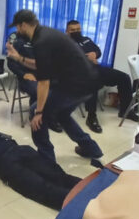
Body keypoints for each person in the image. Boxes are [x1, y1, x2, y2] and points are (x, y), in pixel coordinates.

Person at [6, 9, 104, 163]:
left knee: (35, 113)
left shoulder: (41, 41)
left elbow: (44, 82)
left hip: (75, 85)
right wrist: (18, 58)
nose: (17, 31)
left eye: (17, 27)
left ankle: (46, 160)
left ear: (24, 25)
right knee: (62, 114)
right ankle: (91, 148)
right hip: (88, 83)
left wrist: (39, 112)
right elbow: (41, 65)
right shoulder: (45, 33)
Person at [65, 20, 136, 133]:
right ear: (67, 31)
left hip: (96, 69)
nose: (76, 32)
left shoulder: (86, 39)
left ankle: (125, 111)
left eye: (78, 29)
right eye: (73, 30)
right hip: (77, 74)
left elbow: (97, 51)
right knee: (92, 82)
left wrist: (95, 54)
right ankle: (91, 117)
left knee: (124, 77)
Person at [6, 33, 62, 132]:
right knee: (39, 90)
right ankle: (37, 115)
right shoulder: (17, 42)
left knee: (60, 87)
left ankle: (50, 114)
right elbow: (11, 63)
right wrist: (23, 74)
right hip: (26, 76)